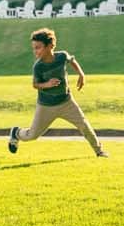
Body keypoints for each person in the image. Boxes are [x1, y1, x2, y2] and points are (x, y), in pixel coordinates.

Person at [9, 28, 107, 158]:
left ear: (50, 46)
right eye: (34, 48)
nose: (35, 51)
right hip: (46, 106)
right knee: (32, 135)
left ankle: (99, 151)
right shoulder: (38, 67)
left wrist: (81, 74)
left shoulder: (61, 56)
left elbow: (71, 60)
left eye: (38, 48)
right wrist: (47, 84)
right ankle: (16, 133)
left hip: (67, 102)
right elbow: (35, 84)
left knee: (84, 125)